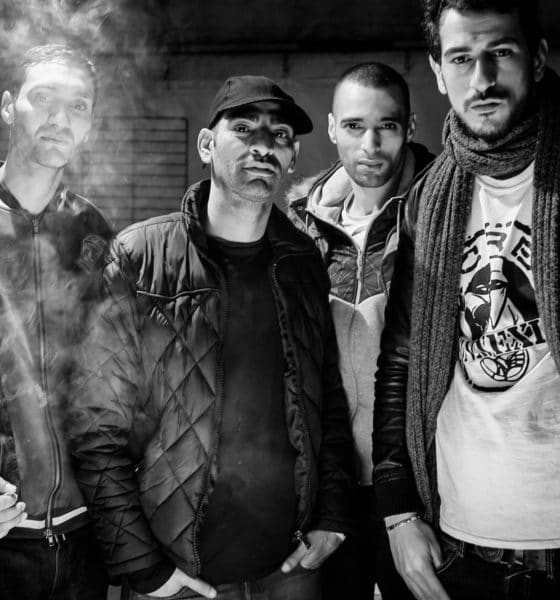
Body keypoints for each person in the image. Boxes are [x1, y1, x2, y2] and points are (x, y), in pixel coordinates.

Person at [69, 75, 355, 600]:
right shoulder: (140, 258)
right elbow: (96, 429)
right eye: (243, 129)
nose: (263, 145)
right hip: (177, 576)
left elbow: (328, 404)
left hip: (290, 570)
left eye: (280, 135)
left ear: (292, 158)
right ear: (206, 145)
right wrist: (144, 568)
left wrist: (331, 517)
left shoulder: (302, 263)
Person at [373, 1, 560, 599]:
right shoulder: (426, 200)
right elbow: (400, 361)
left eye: (500, 52)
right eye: (460, 58)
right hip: (460, 547)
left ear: (538, 58)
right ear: (437, 71)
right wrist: (398, 512)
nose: (481, 80)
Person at [289, 62, 433, 600]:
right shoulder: (299, 223)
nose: (370, 145)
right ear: (331, 128)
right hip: (331, 490)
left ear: (409, 127)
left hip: (425, 488)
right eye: (354, 126)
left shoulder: (440, 211)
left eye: (386, 126)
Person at [0, 45, 112, 599]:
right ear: (7, 106)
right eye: (43, 98)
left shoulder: (94, 231)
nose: (59, 118)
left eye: (78, 106)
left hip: (84, 537)